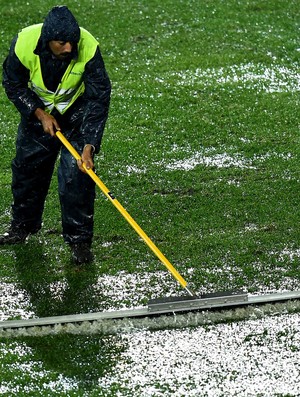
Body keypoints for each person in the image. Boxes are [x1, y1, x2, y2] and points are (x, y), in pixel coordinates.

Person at [1, 6, 111, 265]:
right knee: (28, 168)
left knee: (76, 175)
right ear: (47, 40)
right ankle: (23, 226)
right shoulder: (24, 43)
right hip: (39, 115)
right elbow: (13, 83)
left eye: (71, 42)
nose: (69, 49)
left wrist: (89, 146)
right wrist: (39, 114)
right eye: (62, 43)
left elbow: (98, 98)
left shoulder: (89, 47)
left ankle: (79, 242)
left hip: (76, 115)